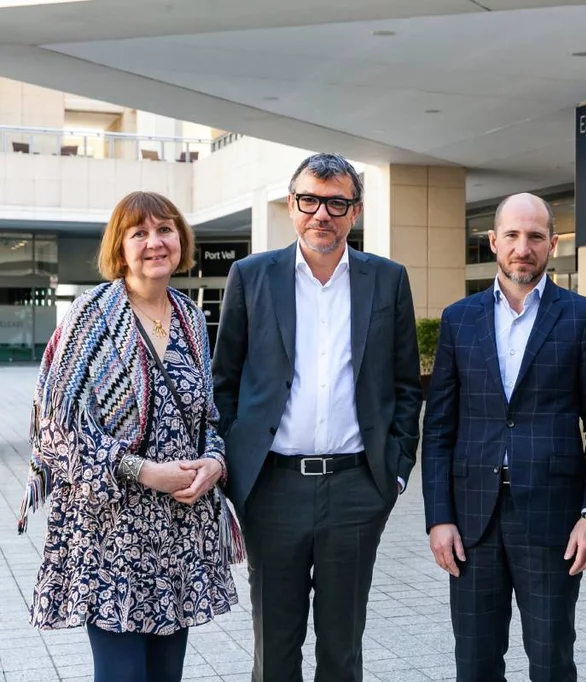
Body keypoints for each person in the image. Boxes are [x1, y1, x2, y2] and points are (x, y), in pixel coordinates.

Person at [212, 152, 422, 682]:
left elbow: (404, 384)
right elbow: (224, 382)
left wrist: (394, 472)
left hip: (356, 489)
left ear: (356, 211)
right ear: (292, 205)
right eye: (310, 200)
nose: (321, 214)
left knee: (342, 648)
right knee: (275, 649)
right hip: (272, 489)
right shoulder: (251, 275)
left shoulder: (388, 279)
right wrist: (238, 472)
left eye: (336, 203)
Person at [18, 191, 239, 682]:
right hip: (112, 533)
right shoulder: (89, 317)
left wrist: (214, 464)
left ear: (181, 239)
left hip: (180, 532)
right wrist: (142, 470)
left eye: (165, 230)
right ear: (120, 247)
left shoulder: (191, 320)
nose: (155, 243)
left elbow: (209, 420)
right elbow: (54, 429)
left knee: (166, 675)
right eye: (139, 233)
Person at [422, 192, 586, 682]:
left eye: (534, 236)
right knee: (474, 663)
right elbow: (440, 428)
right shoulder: (458, 319)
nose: (522, 247)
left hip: (553, 519)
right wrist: (438, 518)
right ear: (493, 242)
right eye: (511, 235)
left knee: (552, 662)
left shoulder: (583, 317)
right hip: (471, 521)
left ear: (553, 244)